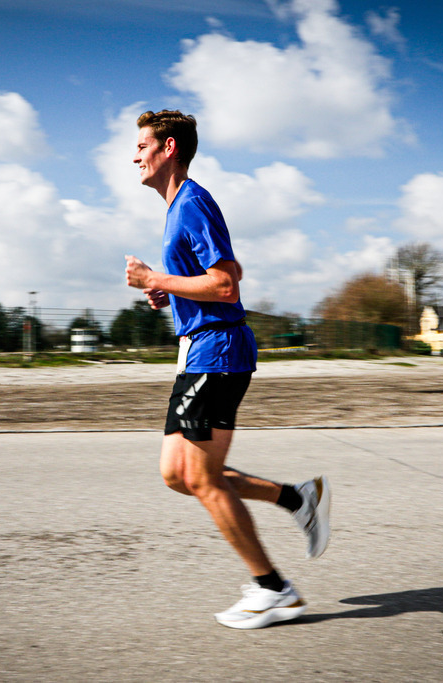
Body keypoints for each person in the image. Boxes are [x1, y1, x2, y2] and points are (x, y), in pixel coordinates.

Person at [124, 109, 331, 630]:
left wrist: (157, 277)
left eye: (143, 145)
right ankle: (296, 498)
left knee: (201, 476)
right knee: (178, 475)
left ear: (169, 148)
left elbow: (225, 286)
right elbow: (219, 276)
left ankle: (273, 589)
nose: (135, 156)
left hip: (216, 351)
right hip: (201, 349)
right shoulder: (178, 209)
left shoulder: (191, 203)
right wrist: (164, 287)